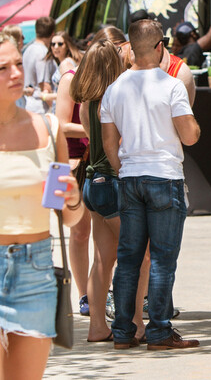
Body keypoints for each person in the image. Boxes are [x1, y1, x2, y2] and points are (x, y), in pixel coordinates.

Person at [101, 19, 201, 350]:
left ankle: (123, 331)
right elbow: (189, 135)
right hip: (164, 177)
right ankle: (158, 330)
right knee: (161, 258)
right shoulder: (171, 86)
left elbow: (109, 144)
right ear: (160, 47)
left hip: (130, 178)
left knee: (128, 258)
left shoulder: (114, 89)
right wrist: (193, 128)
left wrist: (123, 168)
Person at [0, 31, 83, 378]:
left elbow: (67, 217)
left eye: (19, 63)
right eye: (2, 68)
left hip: (35, 271)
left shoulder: (47, 130)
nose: (17, 73)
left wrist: (73, 199)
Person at [70, 40, 149, 343]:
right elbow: (120, 142)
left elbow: (92, 138)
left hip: (92, 185)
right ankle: (137, 323)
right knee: (141, 255)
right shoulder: (114, 99)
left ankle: (97, 327)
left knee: (103, 259)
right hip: (112, 183)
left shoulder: (87, 103)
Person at [46, 30, 92, 316]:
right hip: (71, 163)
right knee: (76, 233)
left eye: (59, 43)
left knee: (101, 235)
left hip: (95, 162)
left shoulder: (112, 80)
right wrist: (95, 131)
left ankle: (97, 294)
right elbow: (60, 125)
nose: (56, 47)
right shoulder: (69, 79)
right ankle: (84, 294)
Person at [21, 16, 56, 113]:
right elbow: (45, 85)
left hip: (27, 104)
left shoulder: (28, 50)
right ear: (52, 34)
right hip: (40, 108)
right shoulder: (44, 53)